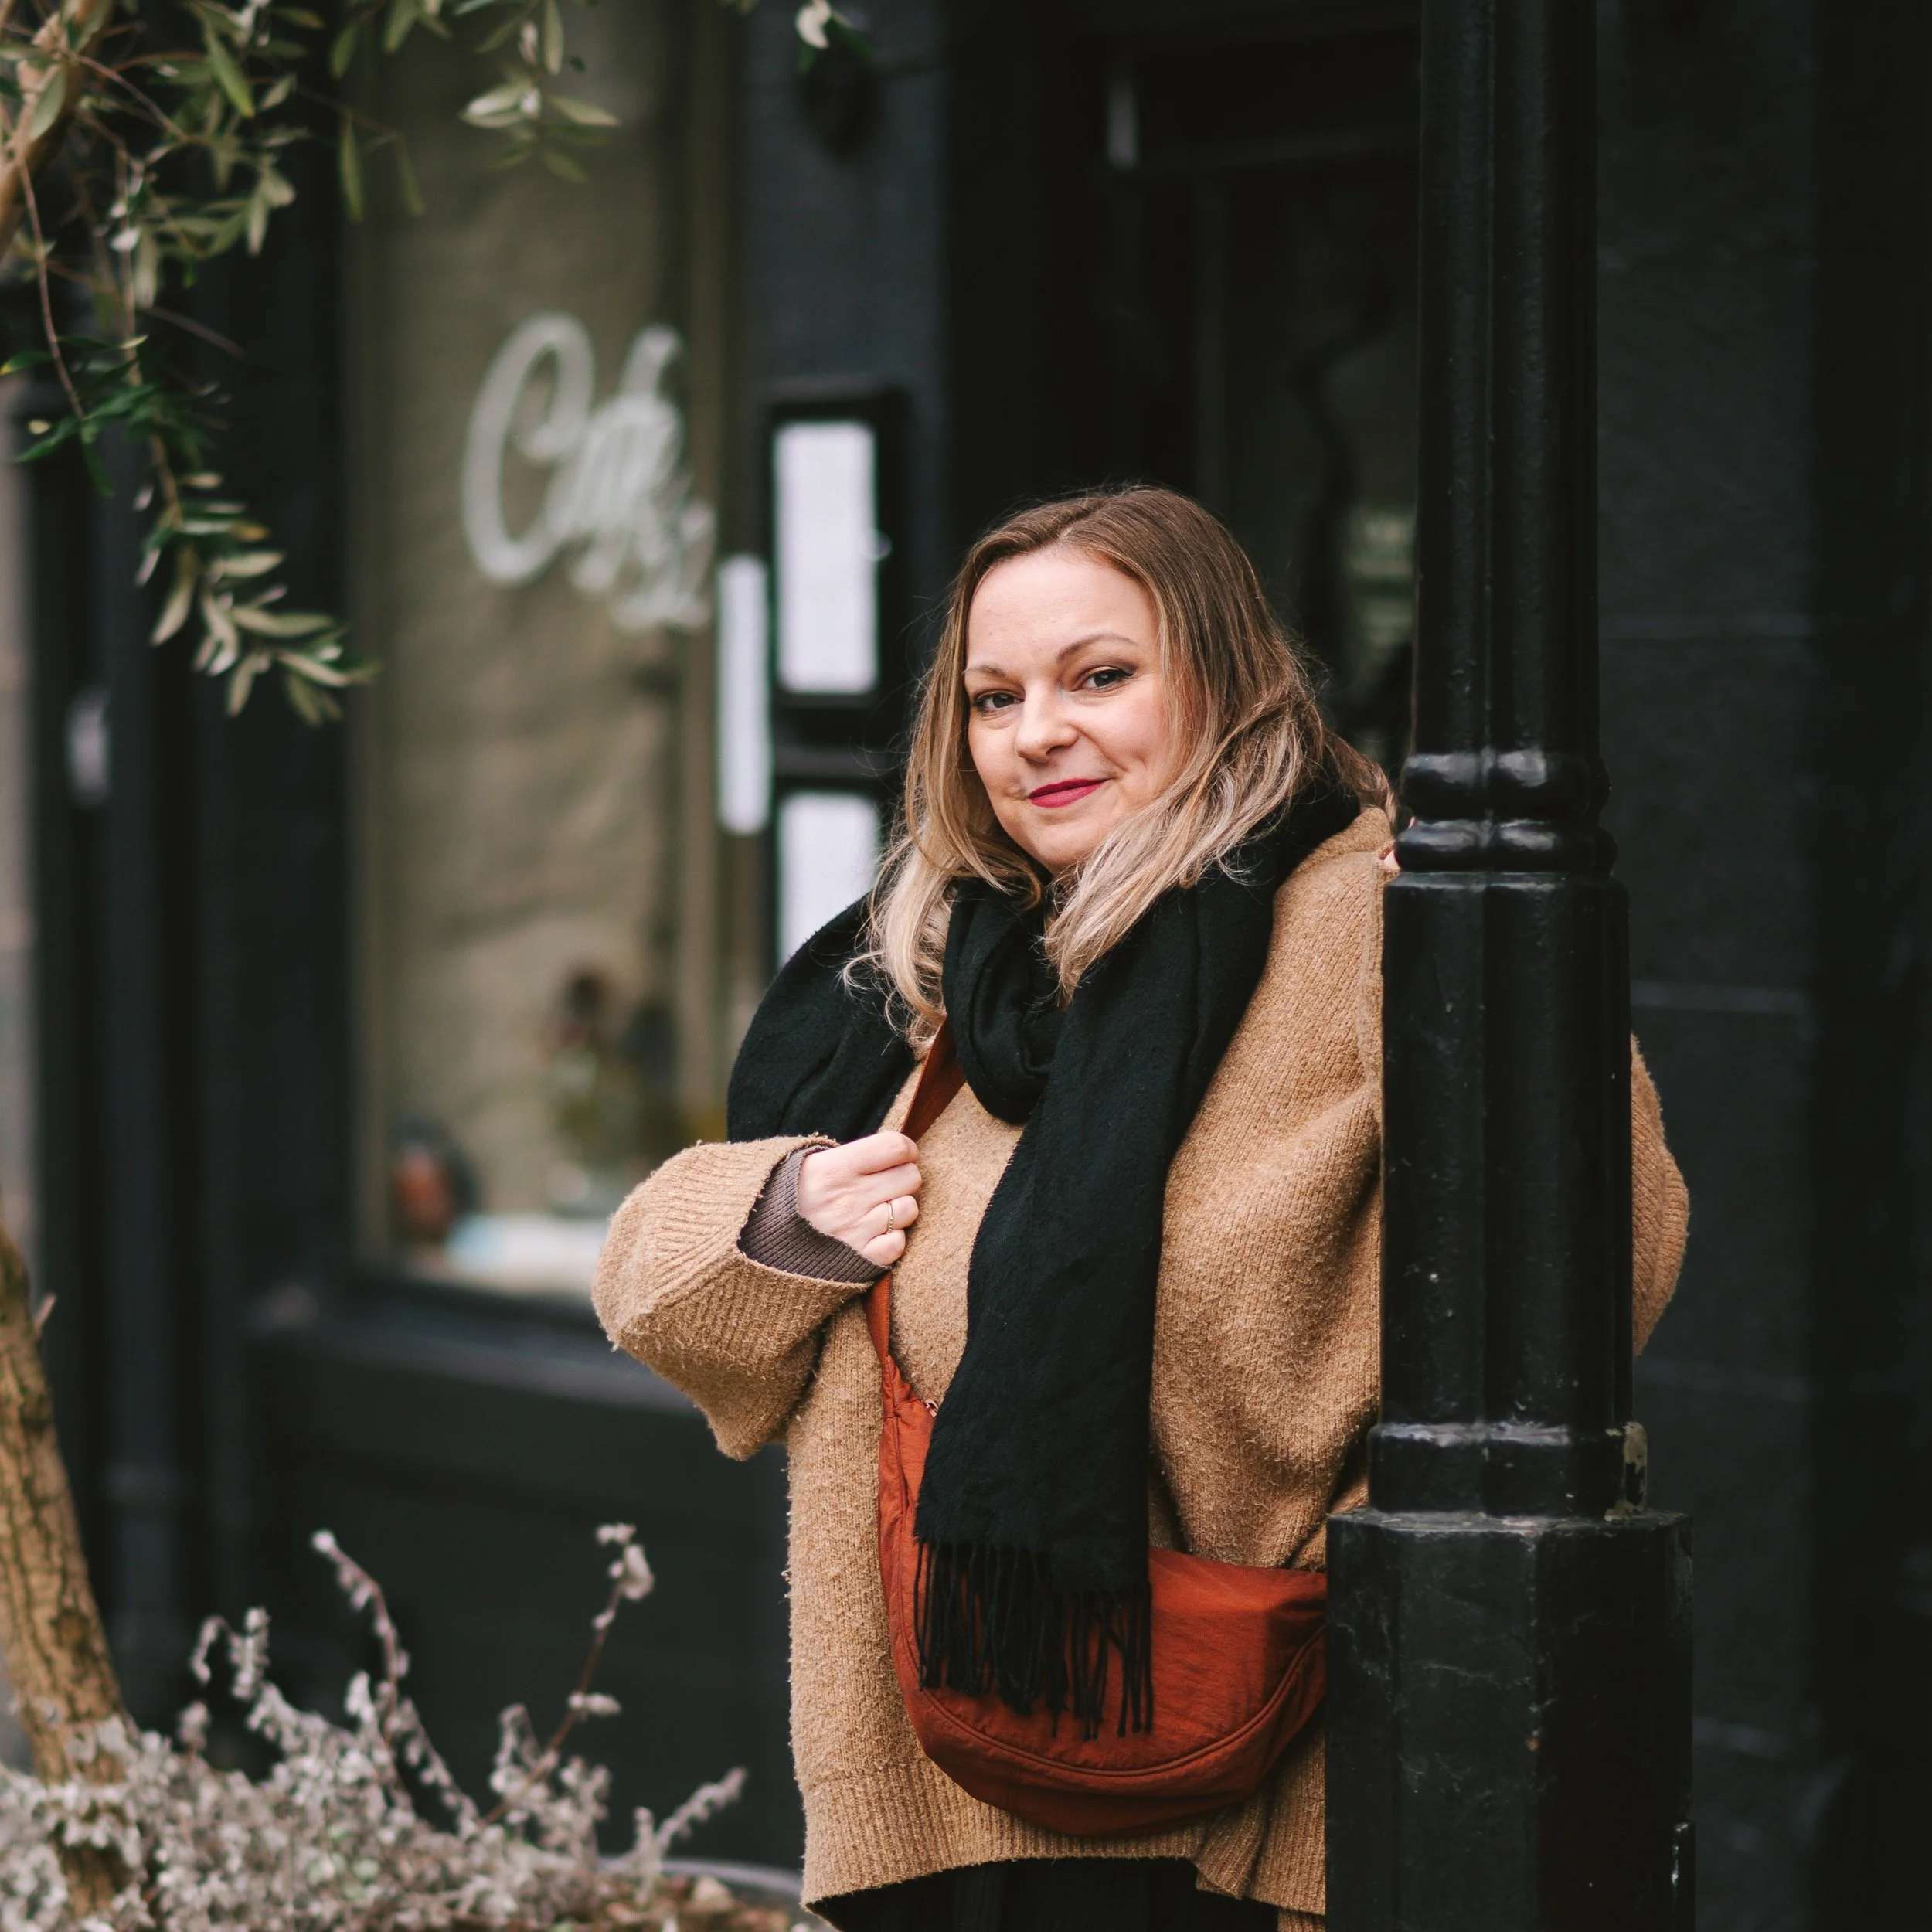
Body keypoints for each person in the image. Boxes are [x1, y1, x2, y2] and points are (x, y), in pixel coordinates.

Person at [593, 486, 1689, 1932]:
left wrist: (1507, 987)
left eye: (1098, 676)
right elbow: (649, 1293)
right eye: (995, 696)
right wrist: (785, 1214)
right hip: (944, 1798)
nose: (1035, 731)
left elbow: (1608, 1252)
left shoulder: (1362, 915)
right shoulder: (934, 965)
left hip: (1258, 1784)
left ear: (1226, 681)